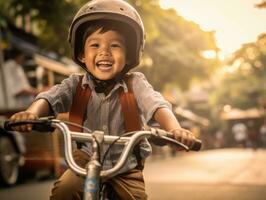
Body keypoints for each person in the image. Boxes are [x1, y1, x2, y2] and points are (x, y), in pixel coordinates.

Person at [9, 0, 197, 199]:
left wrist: (175, 128)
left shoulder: (136, 84)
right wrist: (31, 113)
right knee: (64, 191)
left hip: (125, 166)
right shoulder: (74, 84)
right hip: (83, 162)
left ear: (129, 55)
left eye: (115, 45)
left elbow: (157, 105)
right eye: (95, 44)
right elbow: (49, 98)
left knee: (134, 197)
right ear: (82, 55)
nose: (104, 52)